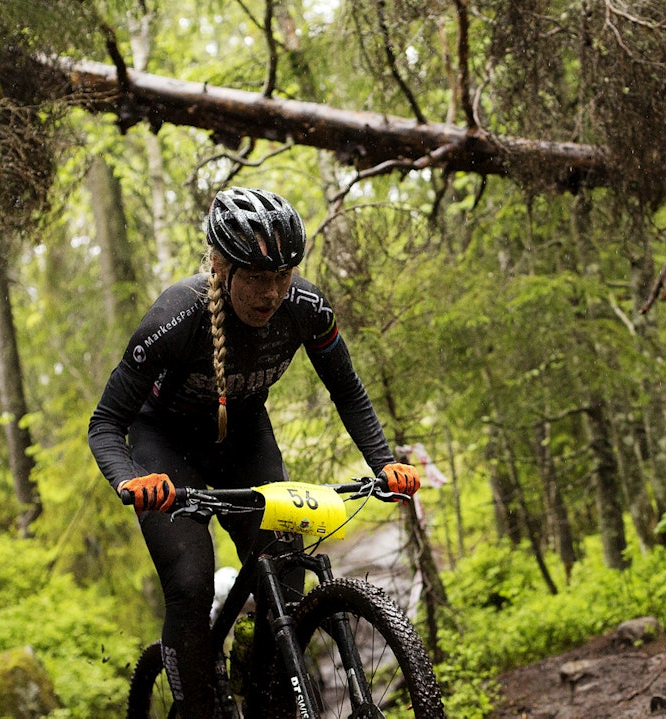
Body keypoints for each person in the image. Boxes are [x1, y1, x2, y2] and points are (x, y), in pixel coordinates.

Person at [87, 186, 420, 717]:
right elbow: (105, 422)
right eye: (258, 279)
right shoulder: (177, 315)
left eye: (283, 277)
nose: (271, 294)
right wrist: (131, 479)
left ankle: (270, 699)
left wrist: (385, 464)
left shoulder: (307, 308)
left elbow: (348, 390)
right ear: (221, 267)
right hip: (165, 448)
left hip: (243, 439)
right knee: (191, 585)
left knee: (286, 575)